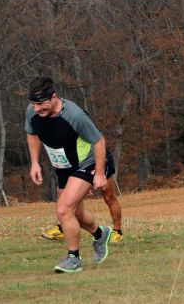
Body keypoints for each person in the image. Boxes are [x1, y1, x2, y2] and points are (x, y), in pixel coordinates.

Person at [26, 76, 112, 273]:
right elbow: (31, 133)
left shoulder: (75, 115)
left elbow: (99, 142)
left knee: (63, 210)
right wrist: (34, 162)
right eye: (32, 103)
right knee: (76, 213)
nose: (36, 109)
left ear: (54, 97)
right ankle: (100, 234)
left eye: (40, 104)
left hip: (86, 163)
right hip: (63, 168)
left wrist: (99, 174)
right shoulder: (32, 112)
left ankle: (73, 258)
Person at [41, 150, 124, 243]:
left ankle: (117, 231)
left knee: (109, 196)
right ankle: (62, 228)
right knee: (63, 194)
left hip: (98, 156)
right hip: (74, 160)